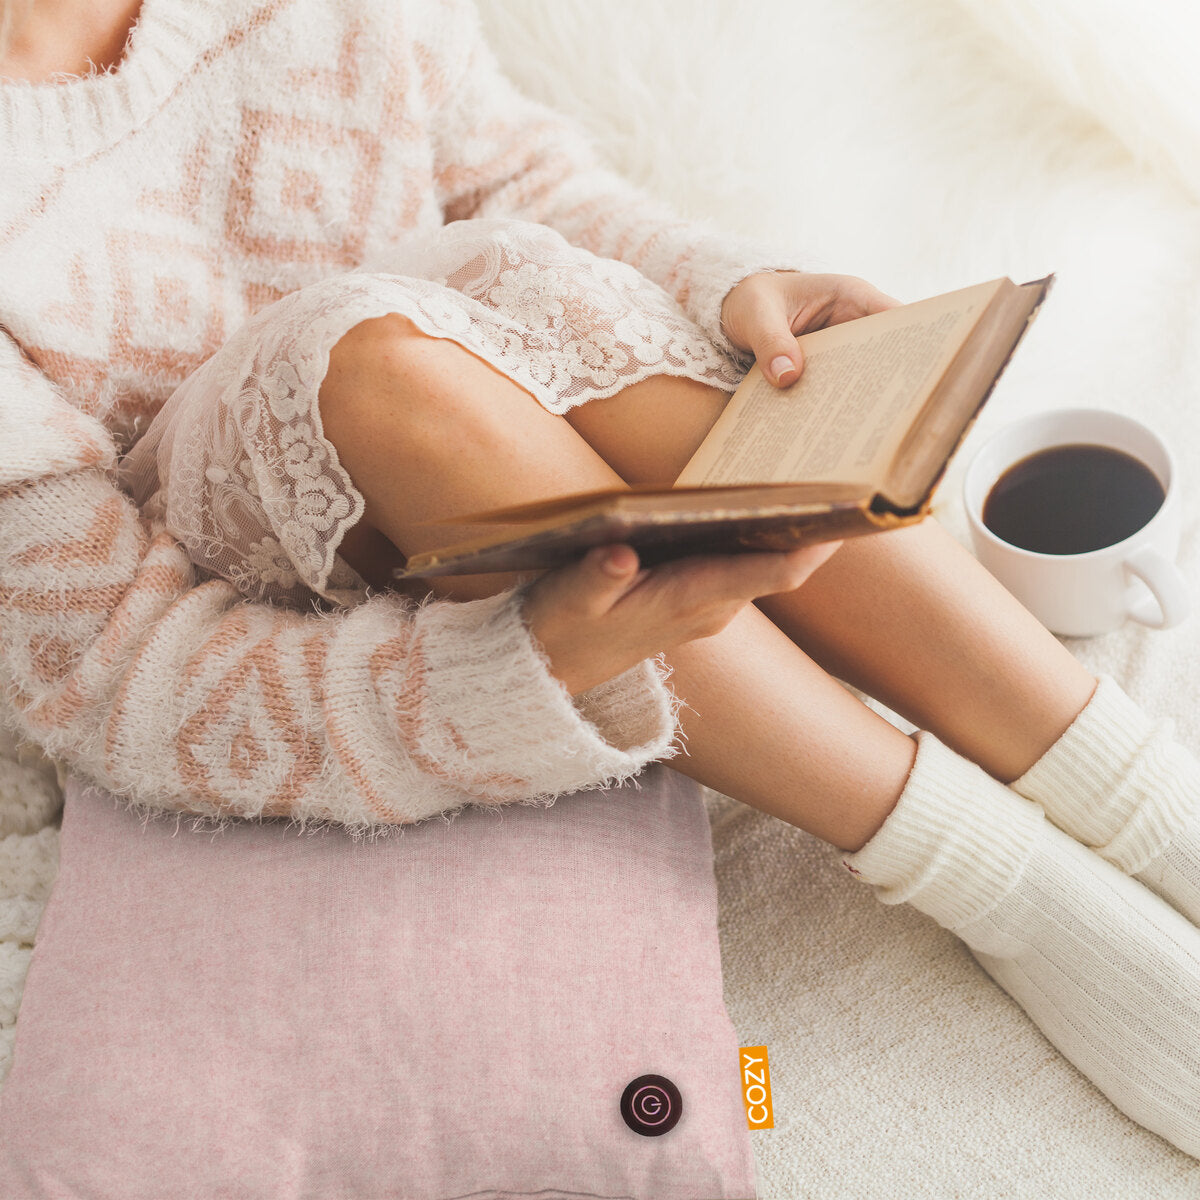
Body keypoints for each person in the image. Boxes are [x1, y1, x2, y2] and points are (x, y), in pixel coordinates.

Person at [2, 0, 1200, 1163]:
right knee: (365, 357)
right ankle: (996, 878)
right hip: (278, 585)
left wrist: (733, 288)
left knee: (531, 280)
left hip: (512, 453)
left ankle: (1139, 792)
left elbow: (516, 185)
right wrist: (489, 679)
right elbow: (107, 667)